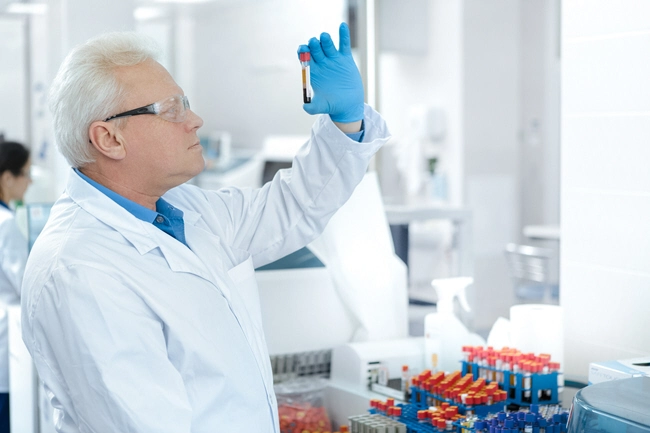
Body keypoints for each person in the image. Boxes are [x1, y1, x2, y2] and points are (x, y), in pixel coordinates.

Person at [21, 23, 389, 433]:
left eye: (186, 104)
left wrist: (345, 122)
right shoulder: (80, 271)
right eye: (171, 109)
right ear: (109, 139)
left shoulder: (185, 210)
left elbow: (294, 207)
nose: (194, 120)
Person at [0, 141, 31, 432]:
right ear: (7, 178)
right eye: (25, 173)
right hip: (5, 336)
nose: (29, 181)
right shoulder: (6, 223)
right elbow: (26, 284)